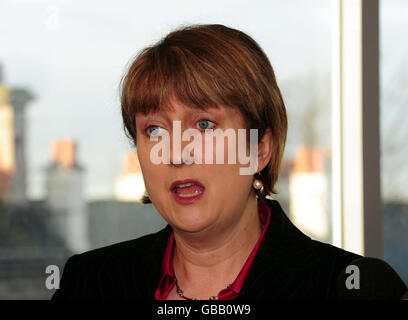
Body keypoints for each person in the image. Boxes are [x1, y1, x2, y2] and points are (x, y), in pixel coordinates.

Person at [51, 24, 406, 300]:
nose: (176, 153)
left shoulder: (349, 288)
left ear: (260, 148)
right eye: (155, 130)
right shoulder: (90, 282)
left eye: (204, 125)